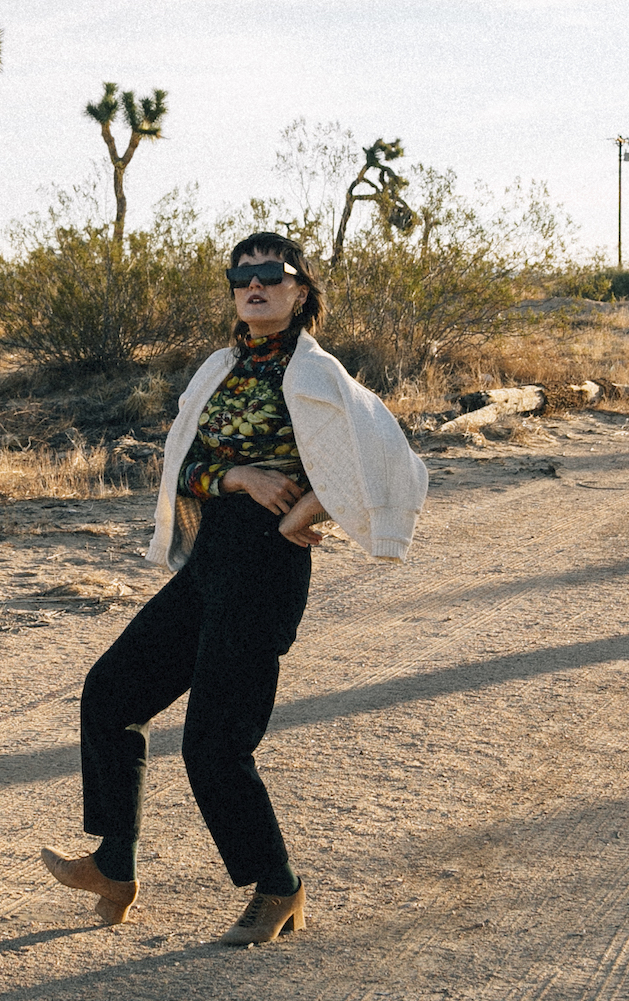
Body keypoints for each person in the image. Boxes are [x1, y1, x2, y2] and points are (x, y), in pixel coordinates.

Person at [41, 232, 430, 945]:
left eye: (271, 275)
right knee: (111, 694)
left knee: (215, 741)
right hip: (211, 557)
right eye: (242, 275)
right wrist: (237, 477)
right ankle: (114, 863)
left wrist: (314, 504)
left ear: (299, 291)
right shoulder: (221, 369)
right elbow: (181, 465)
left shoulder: (317, 374)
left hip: (266, 566)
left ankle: (277, 884)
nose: (255, 285)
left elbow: (393, 460)